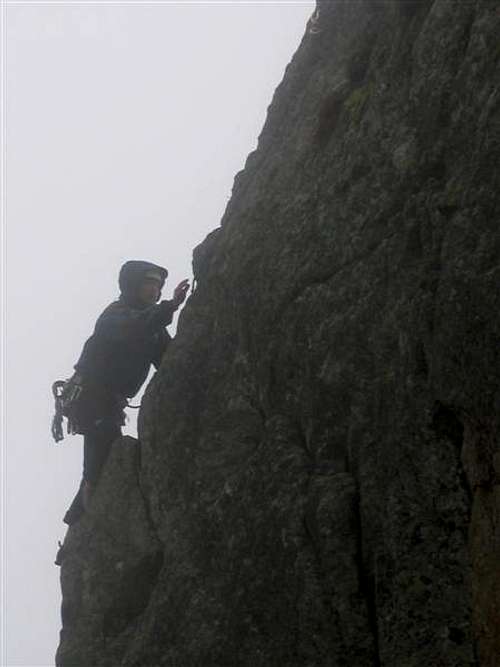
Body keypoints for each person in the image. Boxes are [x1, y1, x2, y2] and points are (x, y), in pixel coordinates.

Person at [62, 260, 189, 526]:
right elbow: (135, 327)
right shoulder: (115, 315)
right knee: (103, 460)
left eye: (157, 285)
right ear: (132, 286)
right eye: (148, 284)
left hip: (108, 403)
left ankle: (78, 521)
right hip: (92, 399)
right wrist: (171, 306)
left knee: (104, 462)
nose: (154, 291)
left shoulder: (154, 330)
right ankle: (83, 524)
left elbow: (171, 358)